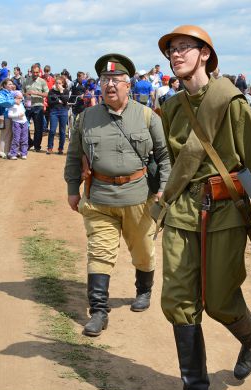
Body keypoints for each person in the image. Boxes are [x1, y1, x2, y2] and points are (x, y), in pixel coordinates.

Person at [157, 25, 251, 390]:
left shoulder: (232, 104)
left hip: (225, 212)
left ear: (205, 55)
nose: (177, 55)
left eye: (185, 48)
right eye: (172, 50)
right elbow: (174, 164)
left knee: (219, 301)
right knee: (178, 302)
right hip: (183, 211)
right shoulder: (170, 107)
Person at [64, 53, 171, 337]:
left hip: (139, 199)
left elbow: (164, 156)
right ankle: (98, 310)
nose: (110, 85)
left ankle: (143, 291)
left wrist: (163, 188)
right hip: (99, 198)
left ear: (128, 84)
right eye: (105, 80)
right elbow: (74, 156)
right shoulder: (86, 117)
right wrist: (71, 188)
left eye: (116, 80)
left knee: (143, 250)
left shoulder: (147, 115)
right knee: (99, 253)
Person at [23, 63, 49, 152]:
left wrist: (37, 93)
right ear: (31, 72)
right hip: (28, 106)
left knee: (38, 128)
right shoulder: (26, 81)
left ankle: (37, 146)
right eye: (34, 72)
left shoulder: (42, 81)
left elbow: (47, 93)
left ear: (39, 72)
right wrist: (25, 94)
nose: (35, 74)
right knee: (24, 126)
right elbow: (22, 92)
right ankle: (29, 142)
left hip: (38, 106)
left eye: (37, 72)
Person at [46, 75, 70, 155]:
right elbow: (49, 102)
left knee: (62, 131)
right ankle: (49, 148)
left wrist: (61, 92)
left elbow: (65, 101)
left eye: (59, 83)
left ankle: (60, 148)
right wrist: (58, 101)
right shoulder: (51, 91)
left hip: (63, 111)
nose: (57, 85)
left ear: (63, 84)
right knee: (52, 130)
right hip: (54, 111)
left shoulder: (65, 91)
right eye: (56, 83)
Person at [0, 79, 17, 159]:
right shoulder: (1, 93)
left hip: (13, 116)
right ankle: (2, 152)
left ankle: (8, 151)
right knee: (5, 134)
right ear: (4, 85)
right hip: (5, 116)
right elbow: (2, 103)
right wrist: (13, 101)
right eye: (9, 84)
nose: (11, 85)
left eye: (12, 84)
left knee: (11, 134)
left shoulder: (12, 93)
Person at [7, 91, 29, 160]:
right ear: (14, 98)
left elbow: (27, 106)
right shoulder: (12, 105)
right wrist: (18, 115)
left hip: (24, 122)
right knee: (16, 138)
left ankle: (23, 153)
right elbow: (9, 115)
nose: (20, 99)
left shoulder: (22, 104)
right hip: (16, 123)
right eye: (18, 98)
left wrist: (27, 97)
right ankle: (13, 153)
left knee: (24, 138)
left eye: (21, 98)